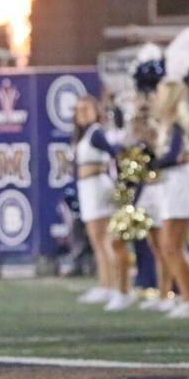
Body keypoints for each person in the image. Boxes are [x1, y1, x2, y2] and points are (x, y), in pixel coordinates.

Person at [148, 77, 189, 318]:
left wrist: (149, 163)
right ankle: (187, 296)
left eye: (161, 94)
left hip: (180, 182)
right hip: (173, 182)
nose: (157, 98)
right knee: (170, 245)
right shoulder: (170, 123)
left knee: (171, 245)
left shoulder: (179, 123)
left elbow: (172, 155)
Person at [70, 95, 120, 305]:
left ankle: (115, 286)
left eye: (86, 109)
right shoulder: (85, 135)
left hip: (97, 186)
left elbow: (115, 152)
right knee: (96, 240)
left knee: (102, 239)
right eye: (79, 109)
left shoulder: (96, 133)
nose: (81, 113)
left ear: (96, 111)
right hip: (88, 187)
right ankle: (105, 284)